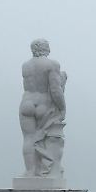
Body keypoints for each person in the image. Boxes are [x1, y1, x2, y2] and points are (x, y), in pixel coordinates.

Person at [19, 38, 67, 178]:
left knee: (28, 138)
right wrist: (62, 108)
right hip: (43, 104)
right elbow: (55, 90)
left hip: (27, 103)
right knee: (46, 138)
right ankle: (46, 171)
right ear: (46, 48)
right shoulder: (52, 65)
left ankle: (30, 172)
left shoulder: (25, 66)